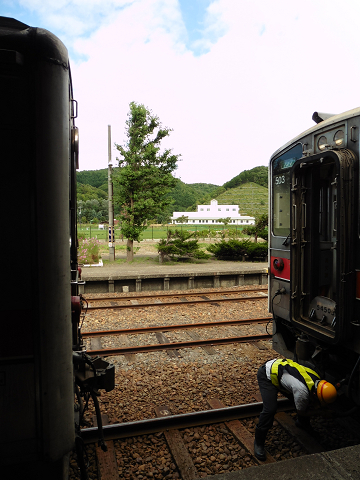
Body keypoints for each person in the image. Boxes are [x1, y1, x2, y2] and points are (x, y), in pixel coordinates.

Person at [254, 358, 337, 461]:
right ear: (316, 393)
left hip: (281, 371)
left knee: (305, 402)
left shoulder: (317, 379)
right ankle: (258, 441)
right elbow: (301, 411)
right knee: (270, 409)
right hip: (267, 374)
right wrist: (321, 412)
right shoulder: (302, 391)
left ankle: (303, 423)